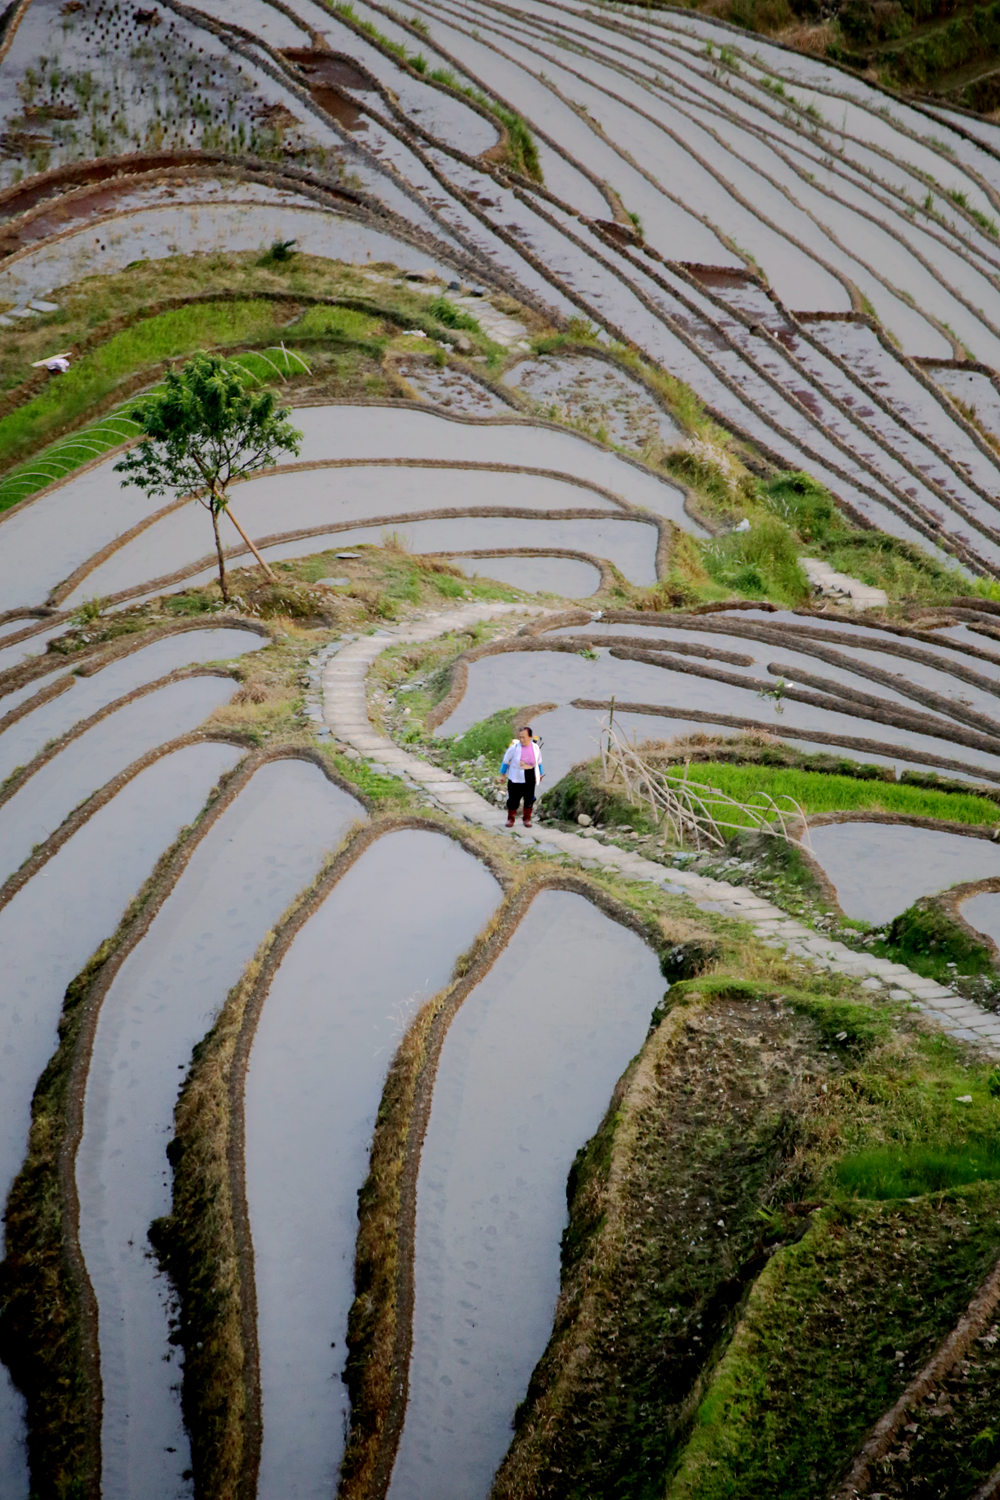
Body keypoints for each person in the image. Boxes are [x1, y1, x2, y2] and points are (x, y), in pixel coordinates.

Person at [499, 725, 544, 829]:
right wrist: (503, 775)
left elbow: (539, 762)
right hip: (515, 777)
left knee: (529, 799)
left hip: (530, 776)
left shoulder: (536, 747)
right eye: (520, 737)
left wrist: (540, 774)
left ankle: (527, 819)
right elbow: (505, 761)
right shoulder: (514, 748)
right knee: (513, 800)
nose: (521, 739)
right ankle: (511, 819)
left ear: (530, 737)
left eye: (524, 737)